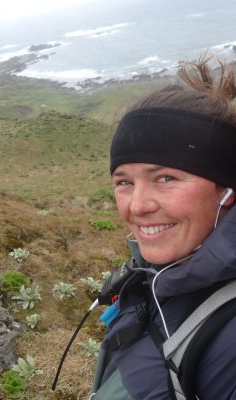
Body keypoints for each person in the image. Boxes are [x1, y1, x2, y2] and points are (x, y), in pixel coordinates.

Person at [90, 55, 236, 400]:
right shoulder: (154, 277)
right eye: (124, 182)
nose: (138, 206)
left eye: (165, 178)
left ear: (226, 190)